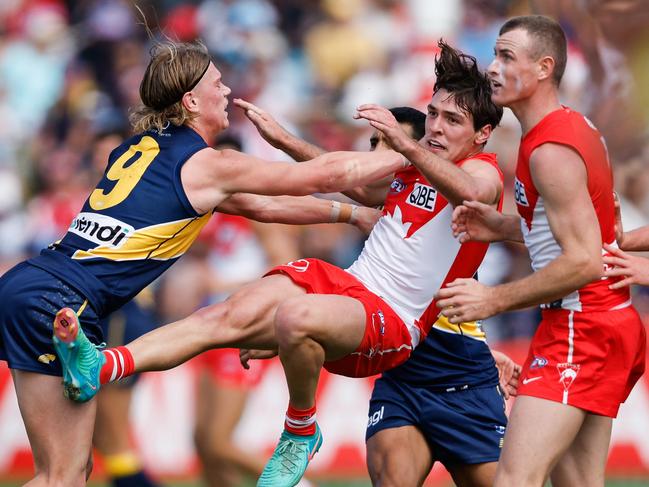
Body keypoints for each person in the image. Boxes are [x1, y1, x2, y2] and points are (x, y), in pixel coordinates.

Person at [52, 40, 503, 487]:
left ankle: (301, 430)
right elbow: (349, 185)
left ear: (482, 133)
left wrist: (406, 144)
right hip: (349, 288)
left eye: (453, 120)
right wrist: (285, 139)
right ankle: (103, 366)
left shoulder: (481, 170)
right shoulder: (415, 166)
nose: (437, 128)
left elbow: (474, 194)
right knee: (223, 315)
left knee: (294, 317)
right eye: (435, 115)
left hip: (395, 321)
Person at [0, 39, 404, 486]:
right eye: (217, 82)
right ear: (191, 100)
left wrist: (352, 214)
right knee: (65, 474)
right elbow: (326, 175)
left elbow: (264, 208)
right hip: (64, 302)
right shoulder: (208, 164)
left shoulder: (143, 148)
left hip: (28, 286)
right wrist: (414, 152)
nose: (228, 90)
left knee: (63, 472)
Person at [239, 80, 519, 486]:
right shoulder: (401, 192)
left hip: (460, 380)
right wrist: (285, 141)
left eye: (385, 146)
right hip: (403, 380)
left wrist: (488, 354)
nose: (376, 158)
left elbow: (438, 308)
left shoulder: (468, 189)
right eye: (373, 148)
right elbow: (346, 178)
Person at [436, 15, 646, 487]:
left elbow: (584, 259)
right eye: (494, 54)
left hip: (581, 326)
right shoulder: (570, 126)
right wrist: (502, 226)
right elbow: (573, 233)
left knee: (514, 479)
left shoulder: (549, 150)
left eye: (507, 56)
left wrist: (493, 299)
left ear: (543, 67)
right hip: (601, 322)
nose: (492, 68)